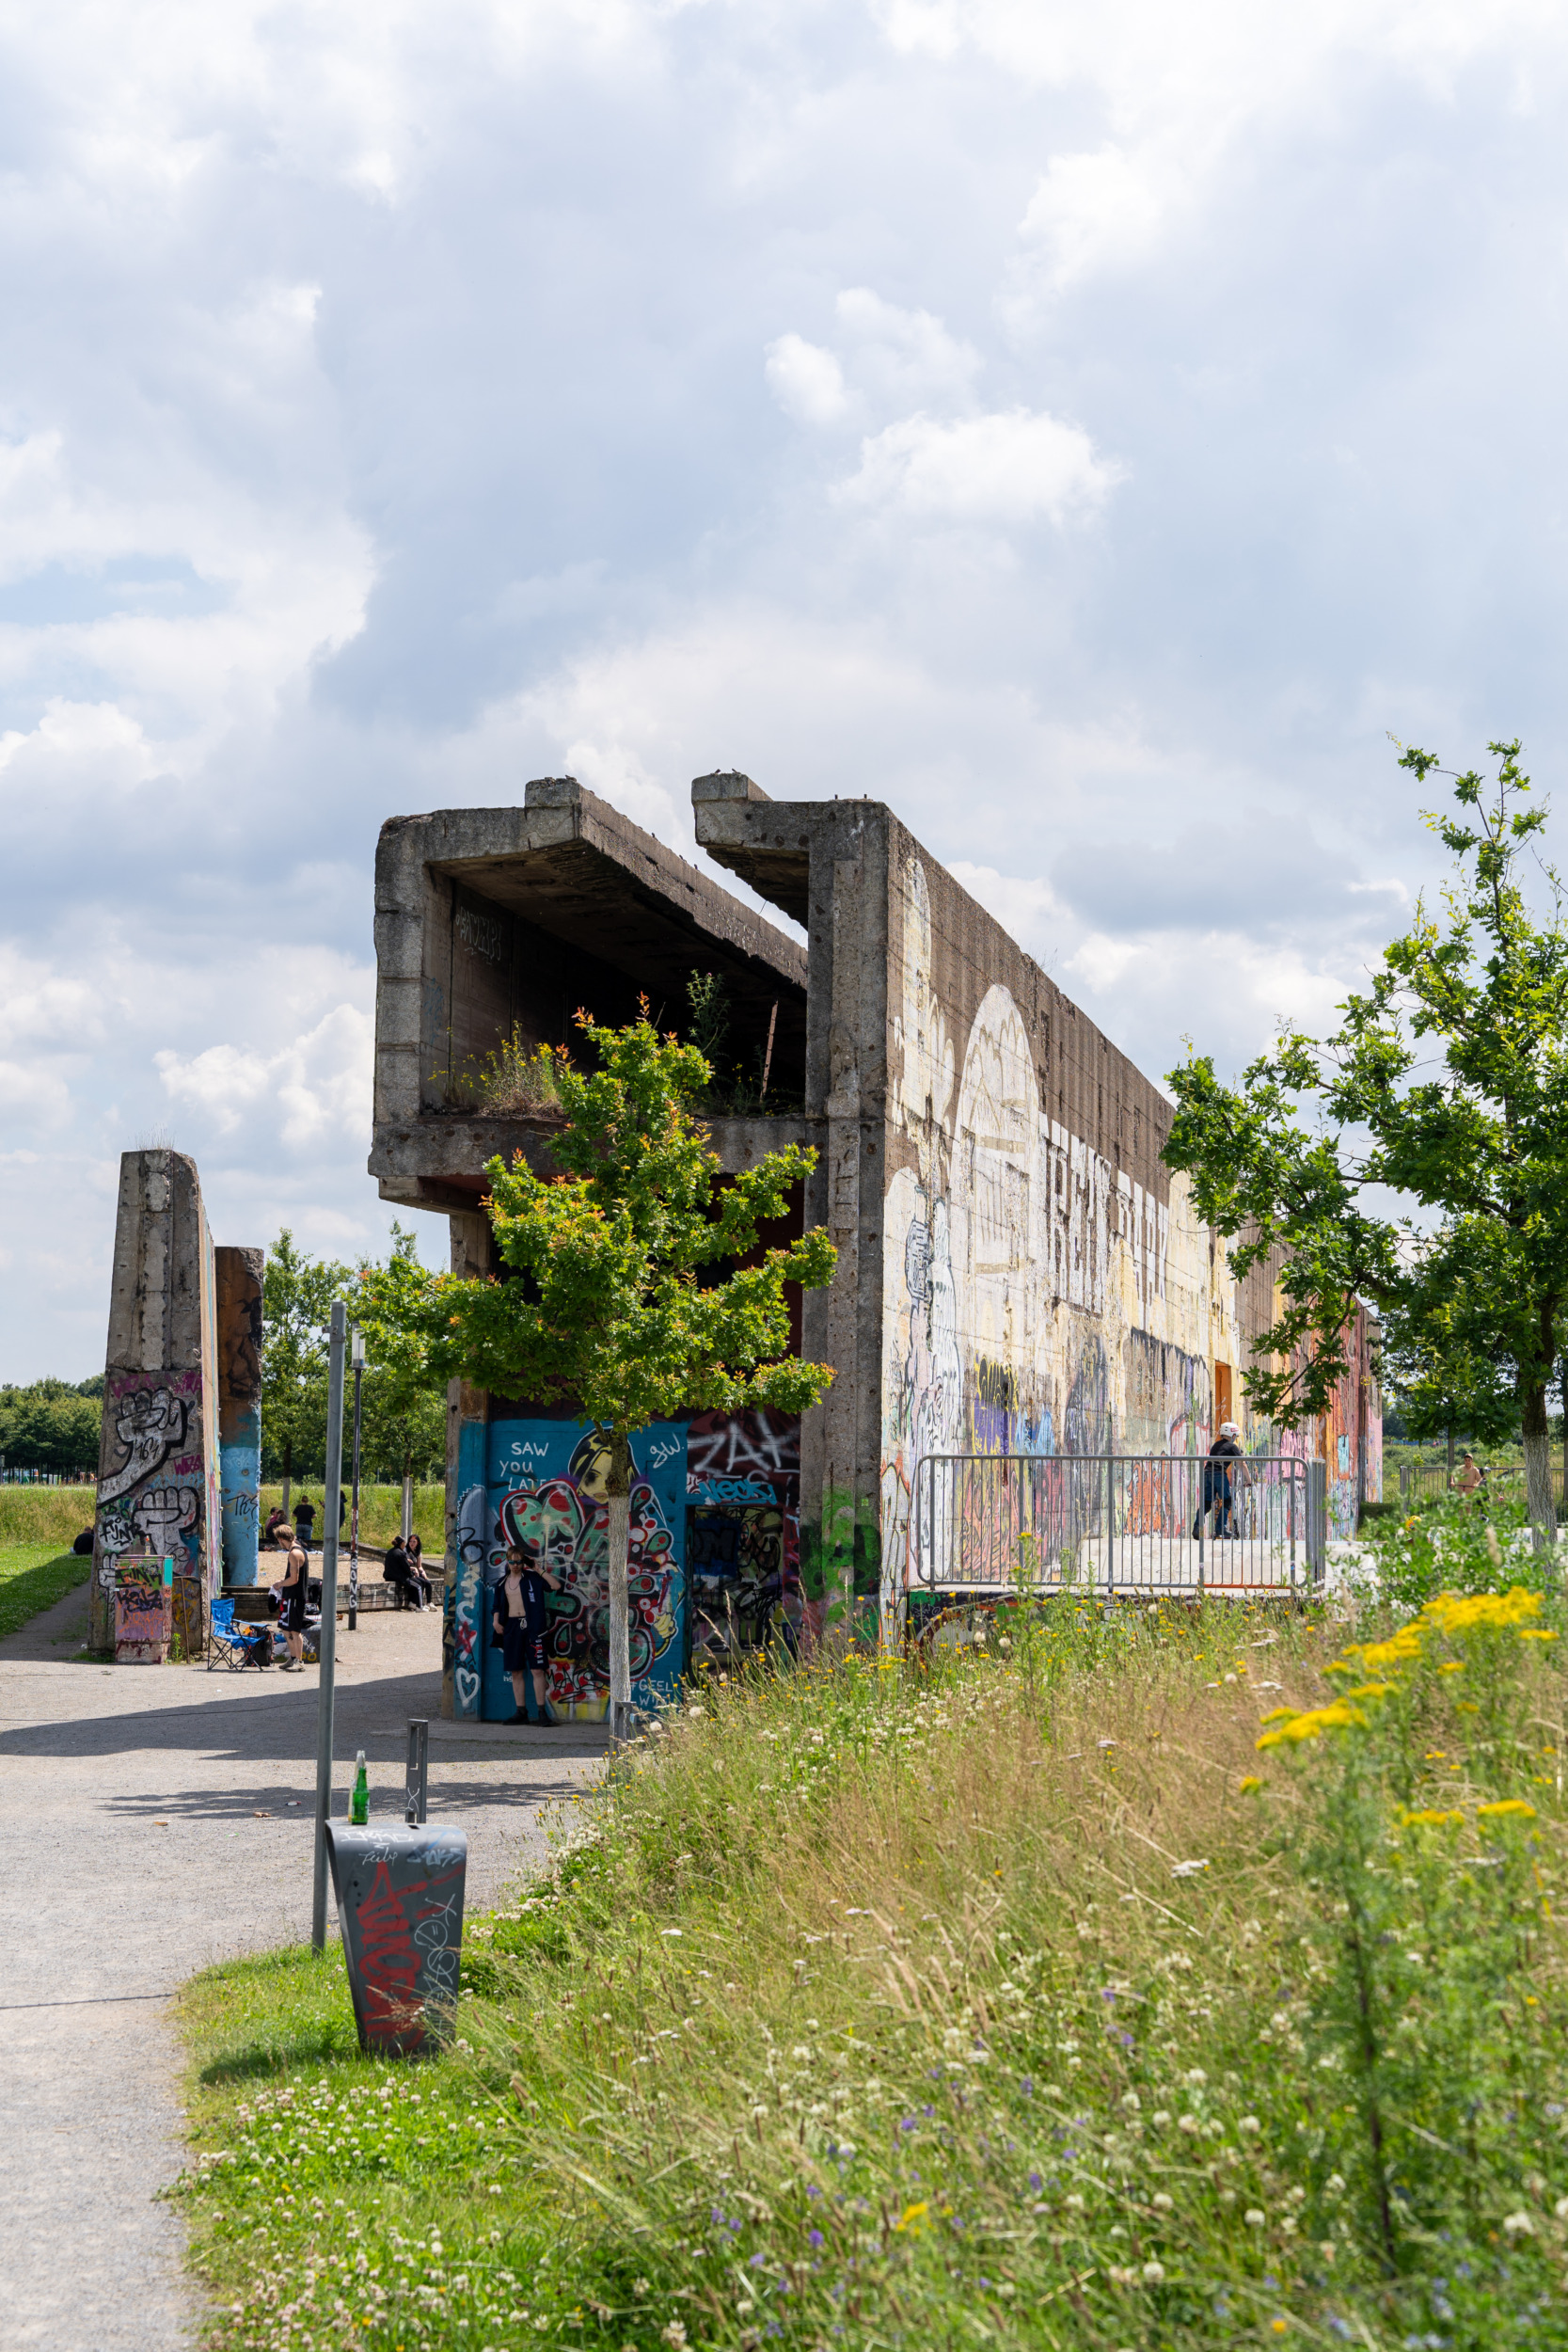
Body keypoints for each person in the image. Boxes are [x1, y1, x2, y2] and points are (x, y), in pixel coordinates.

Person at [492, 1540, 561, 1724]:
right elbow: (496, 1605)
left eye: (519, 1562)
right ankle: (521, 1711)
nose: (515, 1566)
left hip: (533, 1628)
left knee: (538, 1670)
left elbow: (555, 1586)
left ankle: (541, 1712)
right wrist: (496, 1622)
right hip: (512, 1628)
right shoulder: (501, 1583)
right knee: (516, 1671)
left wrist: (538, 1569)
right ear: (507, 1562)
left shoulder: (532, 1579)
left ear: (523, 1562)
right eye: (512, 1562)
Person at [1194, 1422, 1245, 1539]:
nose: (1235, 1439)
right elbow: (1242, 1463)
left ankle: (1197, 1527)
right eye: (1235, 1436)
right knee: (1227, 1501)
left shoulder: (1215, 1445)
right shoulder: (1232, 1447)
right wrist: (1249, 1480)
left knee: (1206, 1504)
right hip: (1219, 1475)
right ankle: (1220, 1528)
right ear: (1232, 1436)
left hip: (1206, 1474)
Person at [277, 1532, 310, 1670]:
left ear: (281, 1539)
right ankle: (293, 1657)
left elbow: (294, 1579)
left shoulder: (294, 1553)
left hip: (295, 1597)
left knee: (295, 1631)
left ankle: (299, 1661)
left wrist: (280, 1584)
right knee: (286, 1629)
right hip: (290, 1596)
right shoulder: (296, 1550)